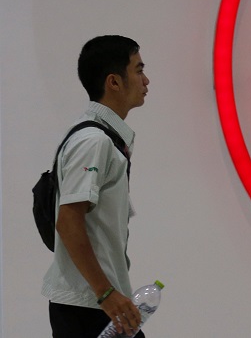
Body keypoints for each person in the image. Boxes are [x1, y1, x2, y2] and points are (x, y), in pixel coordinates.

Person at [42, 35, 150, 338]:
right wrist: (106, 294)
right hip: (89, 307)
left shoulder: (103, 139)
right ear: (114, 82)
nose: (146, 80)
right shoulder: (94, 141)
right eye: (138, 70)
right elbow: (68, 220)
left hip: (97, 305)